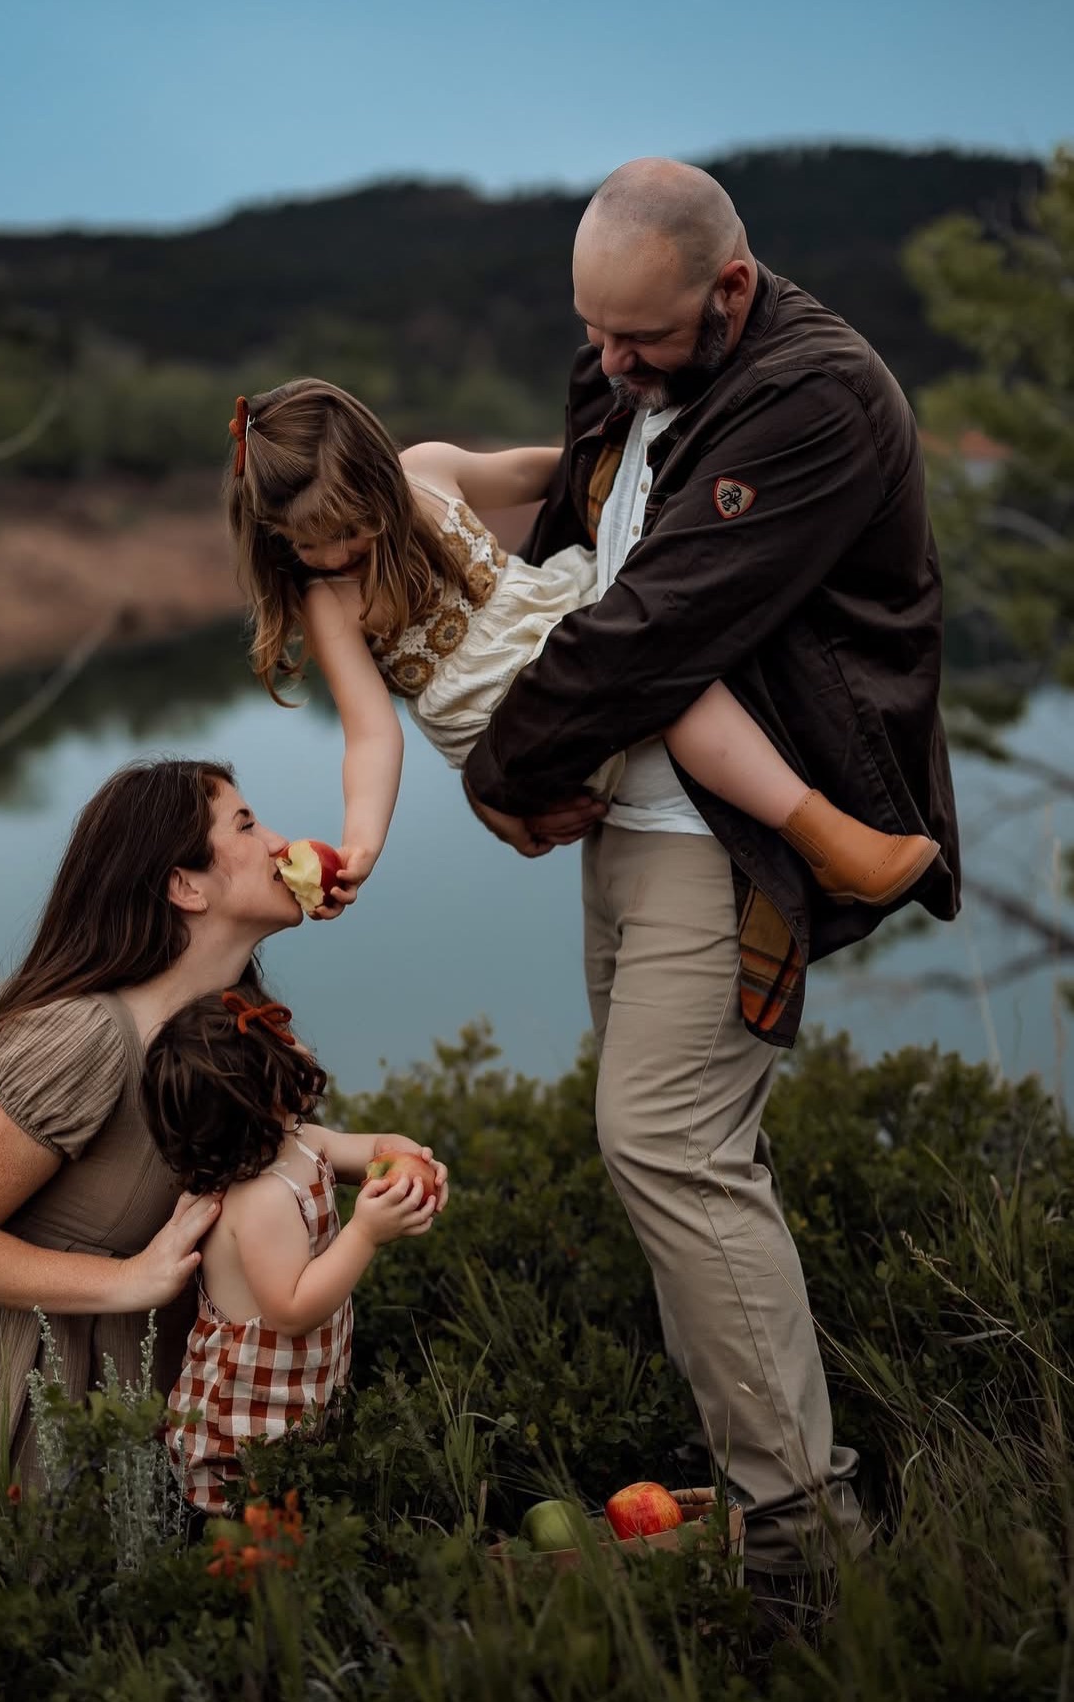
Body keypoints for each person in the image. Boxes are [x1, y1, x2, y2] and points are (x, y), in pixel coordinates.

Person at [459, 159, 962, 1590]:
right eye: (594, 335)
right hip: (634, 822)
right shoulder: (635, 361)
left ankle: (806, 1537)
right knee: (669, 1156)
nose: (610, 365)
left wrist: (501, 767)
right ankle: (762, 1494)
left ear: (728, 288)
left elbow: (651, 626)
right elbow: (580, 542)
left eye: (641, 340)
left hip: (728, 845)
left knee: (669, 1142)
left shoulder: (817, 400)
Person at [226, 380, 938, 919]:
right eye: (305, 542)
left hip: (562, 633)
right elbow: (371, 734)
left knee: (659, 640)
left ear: (378, 475)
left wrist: (650, 461)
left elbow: (555, 474)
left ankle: (839, 798)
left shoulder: (430, 473)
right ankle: (829, 841)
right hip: (507, 719)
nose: (333, 552)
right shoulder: (329, 602)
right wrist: (362, 843)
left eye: (349, 527)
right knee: (657, 682)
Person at [0, 758, 313, 1498]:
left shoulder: (228, 1039)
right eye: (247, 825)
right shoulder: (84, 1038)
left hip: (120, 1403)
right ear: (184, 886)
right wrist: (127, 1279)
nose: (282, 842)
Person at [141, 986, 448, 1512]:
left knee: (303, 1495)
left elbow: (370, 1148)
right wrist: (365, 1232)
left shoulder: (300, 1142)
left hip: (295, 1397)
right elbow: (291, 1309)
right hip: (246, 1426)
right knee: (253, 1529)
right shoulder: (259, 1200)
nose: (298, 1042)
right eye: (281, 1038)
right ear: (259, 1093)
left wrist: (404, 1158)